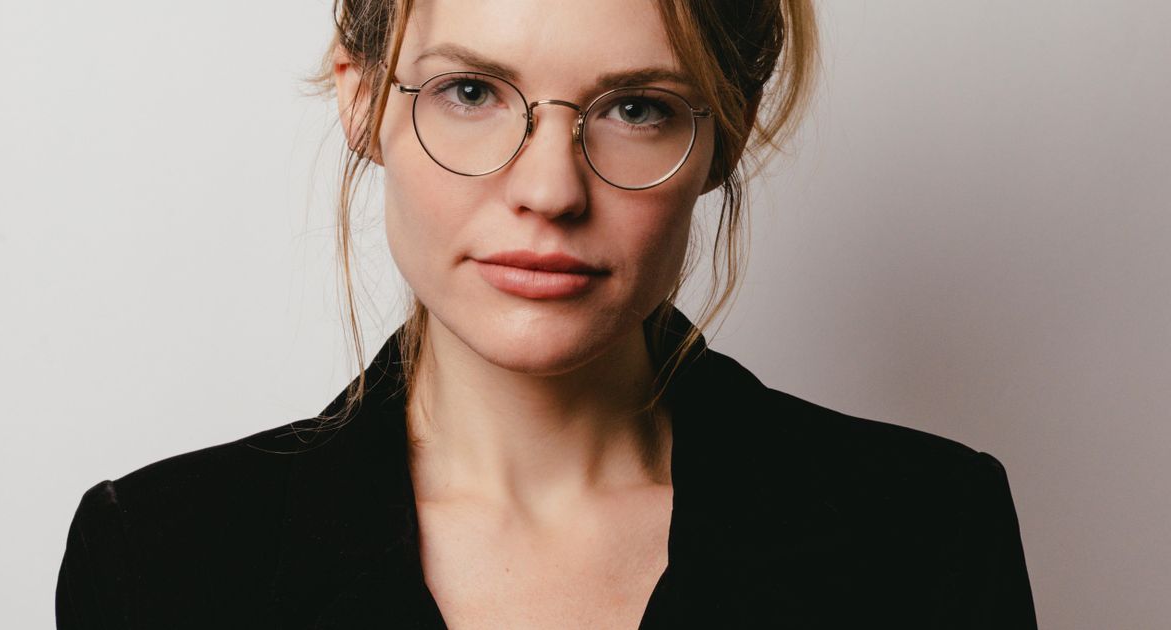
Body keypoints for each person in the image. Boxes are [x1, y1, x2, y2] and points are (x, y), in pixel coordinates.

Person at [55, 0, 1038, 627]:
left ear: (725, 133)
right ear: (363, 102)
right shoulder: (160, 562)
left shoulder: (926, 534)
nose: (551, 190)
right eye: (471, 90)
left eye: (637, 107)